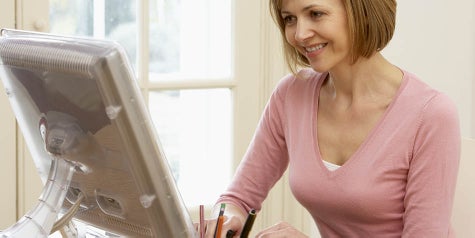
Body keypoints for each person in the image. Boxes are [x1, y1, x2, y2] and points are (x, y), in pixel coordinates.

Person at [203, 0, 461, 237]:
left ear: (362, 10)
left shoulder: (430, 115)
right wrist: (223, 219)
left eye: (315, 14)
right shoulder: (292, 94)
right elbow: (238, 198)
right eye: (289, 19)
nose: (300, 34)